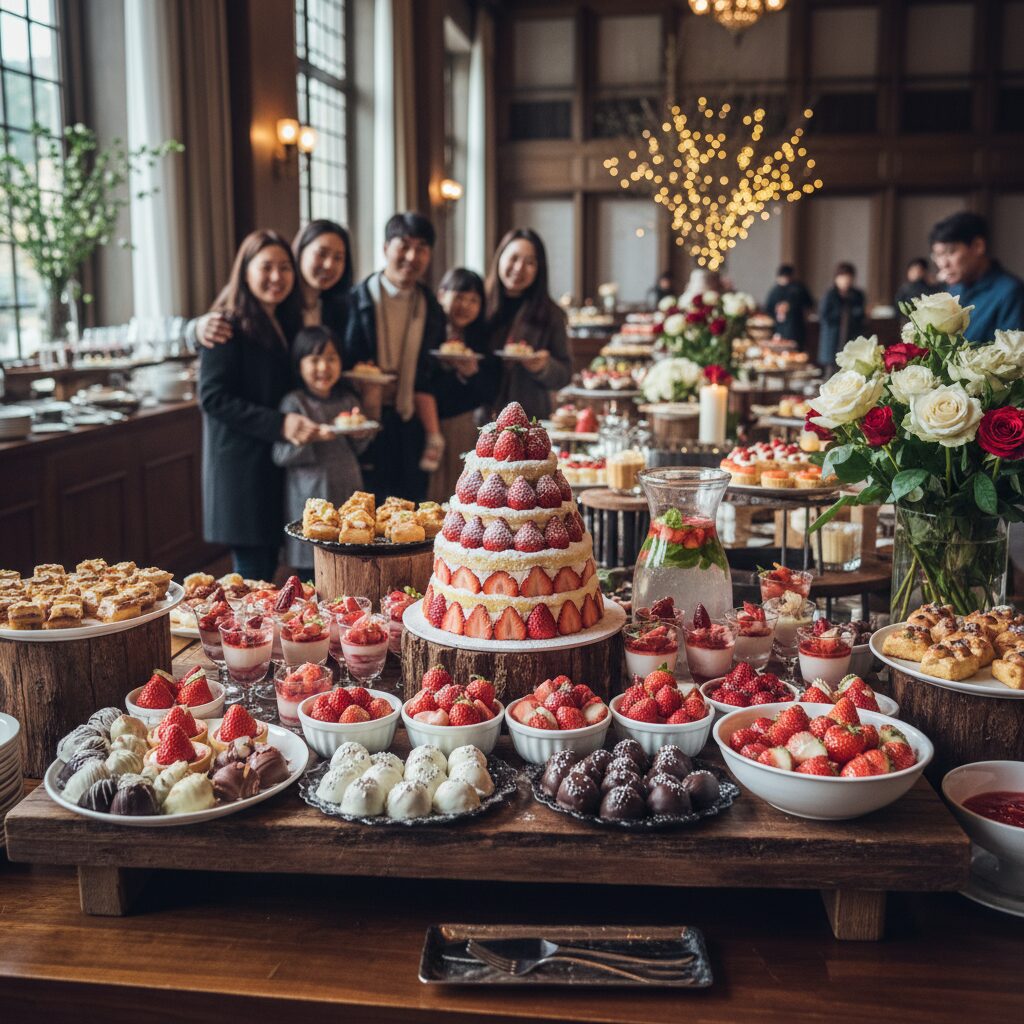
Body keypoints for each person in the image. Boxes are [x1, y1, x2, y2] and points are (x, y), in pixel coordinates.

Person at [198, 230, 310, 582]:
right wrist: (280, 423)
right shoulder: (225, 324)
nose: (276, 277)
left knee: (269, 571)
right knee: (251, 578)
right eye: (266, 267)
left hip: (272, 465)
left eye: (284, 268)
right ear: (245, 271)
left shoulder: (287, 322)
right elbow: (213, 398)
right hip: (241, 469)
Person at [344, 212, 446, 502]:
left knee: (412, 509)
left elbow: (431, 372)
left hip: (410, 421)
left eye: (422, 248)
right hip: (364, 421)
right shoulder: (356, 299)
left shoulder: (431, 307)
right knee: (366, 509)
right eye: (404, 245)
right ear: (386, 247)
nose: (412, 256)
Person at [272, 326, 375, 574]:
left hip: (348, 486)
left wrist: (361, 435)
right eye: (315, 359)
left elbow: (358, 449)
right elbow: (280, 455)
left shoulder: (348, 401)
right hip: (310, 493)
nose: (324, 367)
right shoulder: (295, 402)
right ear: (299, 365)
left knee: (351, 559)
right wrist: (313, 437)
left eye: (331, 358)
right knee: (314, 564)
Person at [191, 219, 353, 348]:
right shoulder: (272, 295)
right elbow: (225, 316)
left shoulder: (338, 307)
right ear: (300, 251)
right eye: (321, 254)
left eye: (338, 257)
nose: (329, 265)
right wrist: (197, 329)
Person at [482, 228, 572, 421]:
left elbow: (565, 374)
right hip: (479, 417)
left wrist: (544, 366)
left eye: (530, 262)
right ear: (500, 257)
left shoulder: (551, 313)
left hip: (528, 420)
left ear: (539, 269)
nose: (519, 268)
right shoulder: (478, 304)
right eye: (513, 258)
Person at [427, 267, 490, 502]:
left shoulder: (479, 339)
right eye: (460, 296)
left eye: (474, 300)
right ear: (442, 294)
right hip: (428, 423)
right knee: (433, 493)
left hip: (463, 424)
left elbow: (486, 392)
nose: (466, 305)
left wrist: (471, 374)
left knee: (462, 492)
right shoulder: (429, 331)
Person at [929, 211, 1024, 342]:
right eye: (938, 255)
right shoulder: (954, 289)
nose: (943, 263)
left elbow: (1015, 356)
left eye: (950, 252)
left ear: (978, 246)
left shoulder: (1010, 292)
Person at [817, 261, 865, 373]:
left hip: (851, 337)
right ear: (836, 278)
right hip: (832, 339)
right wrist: (843, 313)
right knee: (831, 373)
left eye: (848, 278)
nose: (845, 281)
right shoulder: (830, 295)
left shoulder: (857, 295)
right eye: (842, 278)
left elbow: (861, 316)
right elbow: (824, 316)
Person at [764, 264, 813, 350]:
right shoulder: (776, 290)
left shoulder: (798, 289)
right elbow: (768, 309)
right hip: (786, 328)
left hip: (793, 327)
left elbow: (808, 305)